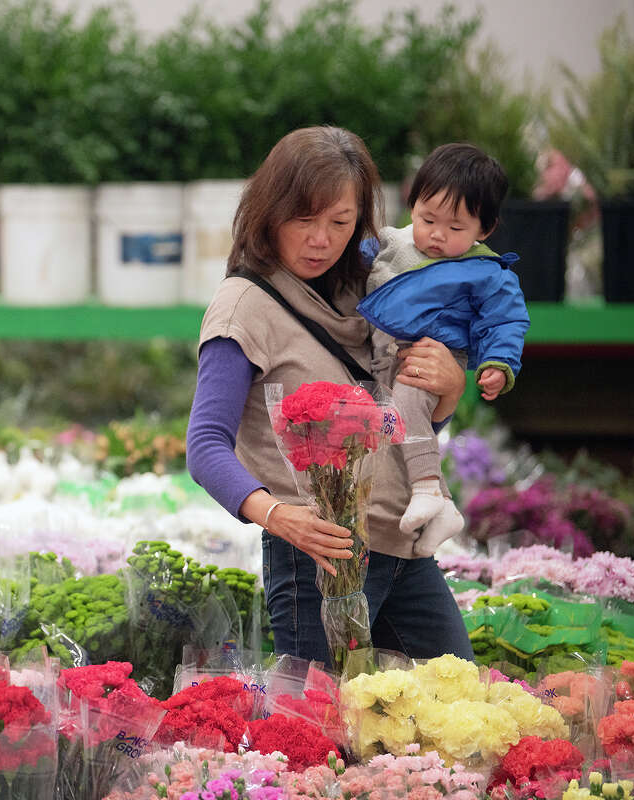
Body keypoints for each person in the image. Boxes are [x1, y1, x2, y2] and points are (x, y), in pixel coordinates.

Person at [185, 125, 474, 666]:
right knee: (327, 728)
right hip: (315, 559)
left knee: (452, 703)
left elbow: (404, 432)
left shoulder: (374, 294)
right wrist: (276, 516)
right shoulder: (243, 306)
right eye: (304, 220)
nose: (321, 239)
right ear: (269, 213)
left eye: (340, 223)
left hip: (403, 544)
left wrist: (449, 391)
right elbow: (204, 447)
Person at [357, 143, 530, 557]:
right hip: (390, 354)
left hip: (436, 357)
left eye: (455, 228)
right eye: (427, 218)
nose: (436, 234)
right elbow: (362, 247)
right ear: (412, 205)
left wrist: (499, 364)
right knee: (393, 427)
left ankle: (427, 490)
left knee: (405, 406)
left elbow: (507, 321)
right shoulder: (394, 243)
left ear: (483, 230)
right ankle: (444, 509)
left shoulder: (488, 273)